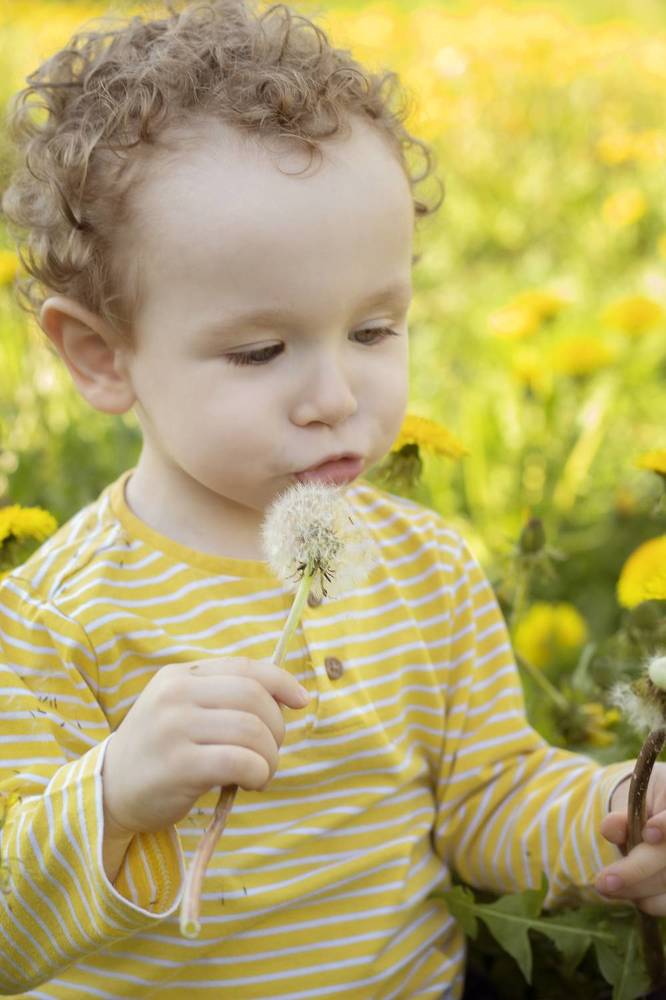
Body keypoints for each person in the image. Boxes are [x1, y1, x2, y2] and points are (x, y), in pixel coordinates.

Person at [0, 1, 664, 997]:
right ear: (101, 355)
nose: (336, 397)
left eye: (373, 331)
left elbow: (490, 798)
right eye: (261, 350)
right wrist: (113, 795)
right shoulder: (51, 619)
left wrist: (619, 808)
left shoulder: (428, 569)